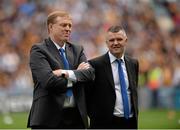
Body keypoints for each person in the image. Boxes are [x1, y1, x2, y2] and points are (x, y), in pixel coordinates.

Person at [27, 10, 95, 129]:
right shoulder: (38, 50)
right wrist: (76, 75)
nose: (68, 28)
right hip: (48, 118)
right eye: (63, 25)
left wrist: (65, 73)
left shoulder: (77, 49)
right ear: (51, 27)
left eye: (70, 25)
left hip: (76, 117)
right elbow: (49, 81)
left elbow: (89, 74)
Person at [85, 25, 139, 129]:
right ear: (106, 43)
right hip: (105, 124)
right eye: (111, 40)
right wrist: (95, 116)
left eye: (119, 39)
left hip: (130, 122)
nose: (115, 43)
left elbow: (133, 91)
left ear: (126, 40)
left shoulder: (133, 63)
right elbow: (87, 94)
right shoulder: (95, 64)